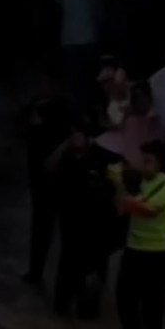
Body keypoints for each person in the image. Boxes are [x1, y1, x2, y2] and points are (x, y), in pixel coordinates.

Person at [115, 141, 165, 329]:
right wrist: (121, 184)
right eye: (143, 161)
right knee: (125, 298)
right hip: (134, 248)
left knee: (153, 303)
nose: (144, 166)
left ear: (161, 164)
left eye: (149, 161)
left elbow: (148, 210)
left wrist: (123, 191)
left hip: (158, 253)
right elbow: (120, 210)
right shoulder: (137, 182)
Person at [47, 120, 118, 318]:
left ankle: (89, 311)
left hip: (97, 225)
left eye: (80, 135)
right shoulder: (65, 158)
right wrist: (65, 146)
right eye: (73, 135)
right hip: (71, 224)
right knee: (68, 269)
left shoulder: (101, 157)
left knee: (94, 272)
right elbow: (49, 169)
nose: (76, 139)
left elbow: (117, 179)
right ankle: (62, 309)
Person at [22, 72, 74, 288]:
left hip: (60, 177)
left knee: (64, 227)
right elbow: (20, 129)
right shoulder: (33, 105)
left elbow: (72, 135)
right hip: (38, 176)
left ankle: (67, 275)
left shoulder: (64, 108)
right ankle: (35, 271)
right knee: (41, 225)